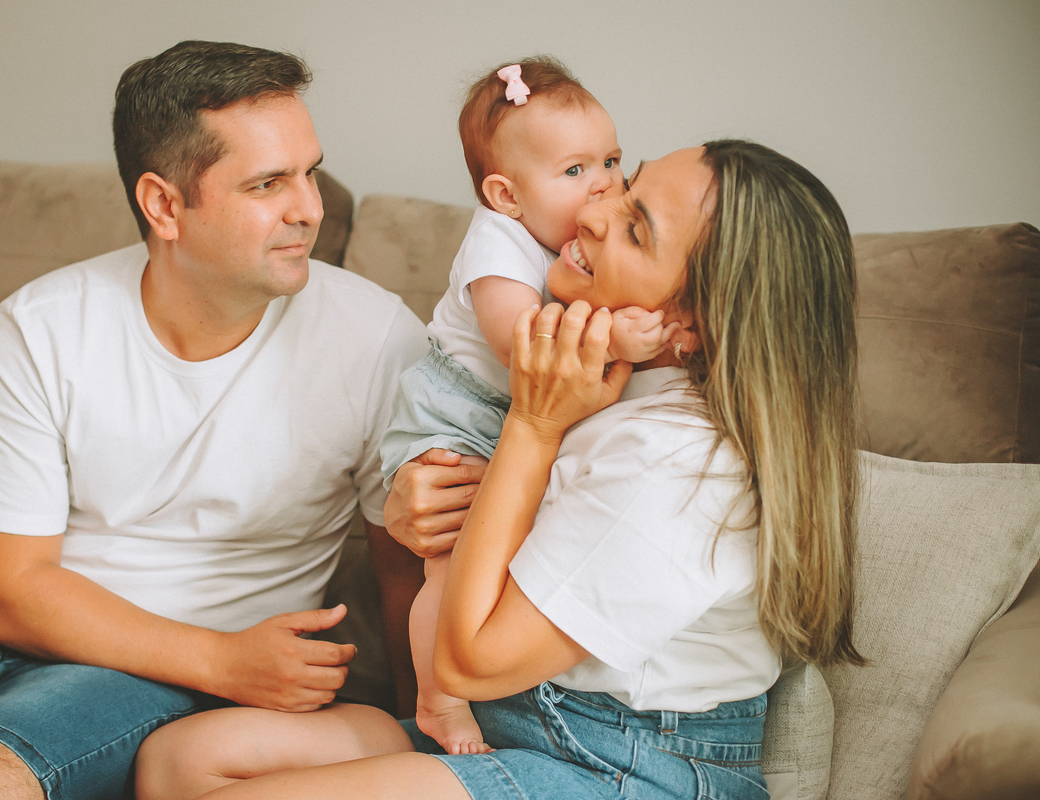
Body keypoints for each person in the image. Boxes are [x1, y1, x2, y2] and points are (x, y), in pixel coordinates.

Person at [135, 140, 866, 800]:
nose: (595, 210)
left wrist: (533, 422)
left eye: (636, 227)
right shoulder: (619, 366)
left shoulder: (679, 466)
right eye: (624, 185)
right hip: (518, 719)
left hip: (622, 762)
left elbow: (470, 662)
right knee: (182, 761)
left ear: (693, 323)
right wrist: (422, 505)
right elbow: (531, 521)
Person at [0, 40, 428, 800]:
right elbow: (6, 591)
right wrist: (224, 662)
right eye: (267, 183)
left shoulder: (377, 338)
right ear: (163, 204)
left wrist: (422, 731)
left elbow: (402, 564)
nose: (309, 209)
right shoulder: (42, 325)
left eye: (309, 172)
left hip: (165, 673)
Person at [379, 56, 675, 755]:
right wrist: (617, 336)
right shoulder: (497, 243)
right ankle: (437, 698)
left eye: (611, 159)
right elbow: (525, 350)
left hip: (512, 417)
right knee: (450, 570)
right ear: (506, 195)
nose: (604, 184)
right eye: (574, 171)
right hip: (454, 412)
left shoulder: (578, 240)